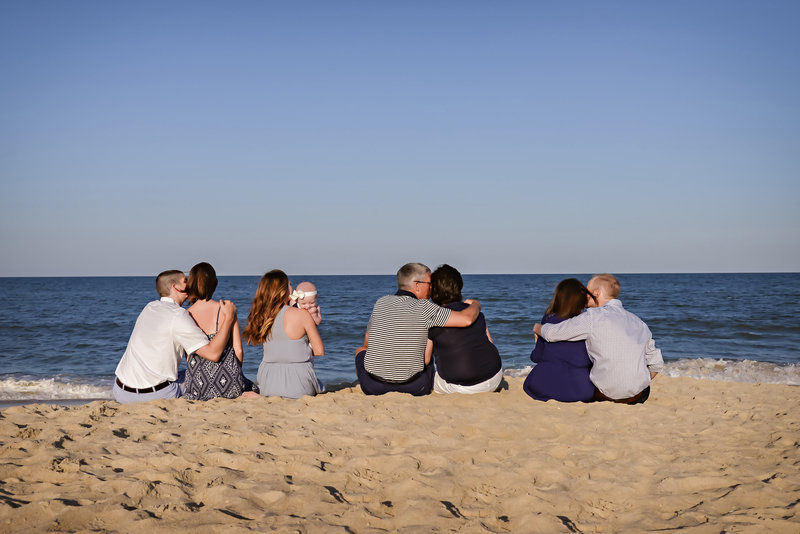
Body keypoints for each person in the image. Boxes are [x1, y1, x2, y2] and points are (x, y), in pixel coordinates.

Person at [533, 273, 664, 404]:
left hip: (604, 395)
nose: (583, 296)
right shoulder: (639, 322)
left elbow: (552, 334)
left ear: (596, 293)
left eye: (586, 291)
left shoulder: (592, 317)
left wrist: (537, 327)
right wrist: (635, 383)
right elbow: (657, 364)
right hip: (637, 395)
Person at [355, 262, 482, 396]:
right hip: (414, 387)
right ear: (417, 285)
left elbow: (367, 344)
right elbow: (466, 319)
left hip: (372, 387)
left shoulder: (381, 302)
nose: (432, 288)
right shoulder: (424, 307)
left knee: (360, 350)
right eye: (429, 283)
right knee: (427, 358)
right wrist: (475, 305)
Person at [113, 269, 237, 404]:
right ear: (175, 287)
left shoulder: (149, 307)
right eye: (185, 281)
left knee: (187, 372)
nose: (190, 283)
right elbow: (213, 354)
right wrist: (229, 318)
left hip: (121, 391)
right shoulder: (178, 315)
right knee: (207, 375)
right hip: (155, 395)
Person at [182, 262, 259, 400]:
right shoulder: (226, 310)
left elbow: (188, 356)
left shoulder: (185, 315)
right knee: (253, 388)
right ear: (214, 284)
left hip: (197, 385)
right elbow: (238, 350)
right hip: (228, 382)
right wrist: (235, 373)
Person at [243, 269, 324, 399]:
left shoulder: (262, 317)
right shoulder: (302, 315)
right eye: (289, 284)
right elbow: (319, 351)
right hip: (299, 385)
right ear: (284, 290)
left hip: (268, 384)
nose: (292, 288)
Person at [426, 264, 503, 394]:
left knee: (430, 377)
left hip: (462, 387)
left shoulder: (433, 319)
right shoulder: (475, 313)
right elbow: (490, 344)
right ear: (459, 287)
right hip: (495, 376)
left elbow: (426, 359)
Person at [523, 278, 595, 402]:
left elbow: (536, 357)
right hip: (581, 390)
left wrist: (537, 343)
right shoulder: (586, 323)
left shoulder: (548, 319)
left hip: (543, 385)